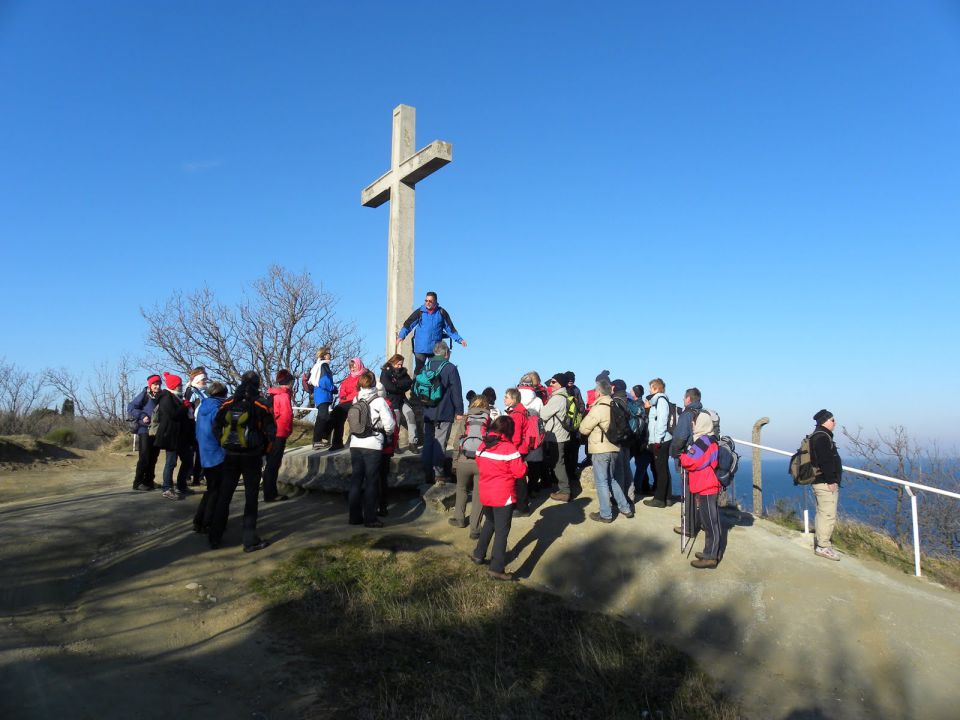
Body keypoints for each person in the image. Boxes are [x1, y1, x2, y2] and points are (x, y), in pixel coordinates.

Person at [210, 371, 276, 552]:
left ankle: (214, 536)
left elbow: (216, 425)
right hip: (252, 456)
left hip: (230, 455)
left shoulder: (229, 402)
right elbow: (272, 433)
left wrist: (224, 443)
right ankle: (249, 540)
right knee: (251, 498)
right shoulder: (261, 404)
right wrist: (265, 451)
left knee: (224, 496)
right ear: (258, 383)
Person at [470, 415, 527, 581]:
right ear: (509, 431)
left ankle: (478, 554)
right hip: (503, 495)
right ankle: (496, 567)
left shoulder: (483, 445)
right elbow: (520, 472)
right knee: (502, 531)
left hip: (486, 491)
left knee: (490, 523)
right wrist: (524, 465)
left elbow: (480, 463)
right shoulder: (509, 449)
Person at [579, 378, 634, 523]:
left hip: (600, 448)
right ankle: (625, 508)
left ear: (598, 392)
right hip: (616, 447)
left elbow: (583, 428)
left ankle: (606, 514)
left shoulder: (599, 408)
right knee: (613, 479)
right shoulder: (616, 404)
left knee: (602, 482)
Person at [346, 370, 396, 527]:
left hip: (355, 444)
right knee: (371, 482)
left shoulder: (356, 398)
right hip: (373, 445)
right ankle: (370, 518)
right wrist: (385, 433)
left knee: (356, 480)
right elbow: (390, 425)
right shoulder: (379, 401)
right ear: (374, 383)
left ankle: (354, 517)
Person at [679, 412, 722, 569]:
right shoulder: (710, 439)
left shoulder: (703, 442)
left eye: (694, 422)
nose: (692, 425)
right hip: (707, 485)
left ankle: (711, 557)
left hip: (707, 486)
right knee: (709, 521)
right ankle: (710, 552)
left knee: (711, 523)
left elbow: (692, 461)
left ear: (701, 424)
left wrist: (682, 457)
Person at [420, 341, 464, 485]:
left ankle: (426, 473)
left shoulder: (425, 366)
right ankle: (438, 475)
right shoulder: (450, 368)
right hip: (444, 411)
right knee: (440, 442)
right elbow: (456, 391)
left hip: (427, 411)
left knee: (428, 443)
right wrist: (459, 411)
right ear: (446, 353)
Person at [396, 291, 467, 375]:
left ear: (435, 302)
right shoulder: (420, 312)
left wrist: (460, 340)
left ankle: (433, 388)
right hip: (420, 348)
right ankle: (415, 387)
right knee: (419, 371)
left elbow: (450, 328)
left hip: (435, 349)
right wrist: (401, 336)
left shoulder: (441, 313)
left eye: (430, 301)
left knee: (434, 372)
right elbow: (408, 324)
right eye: (426, 300)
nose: (427, 303)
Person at [450, 395, 490, 537]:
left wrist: (455, 462)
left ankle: (459, 519)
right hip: (481, 462)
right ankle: (475, 529)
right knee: (478, 494)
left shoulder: (466, 419)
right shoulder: (489, 419)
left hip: (463, 460)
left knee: (461, 489)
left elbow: (456, 442)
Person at [193, 382, 228, 534]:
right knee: (216, 491)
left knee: (211, 489)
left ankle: (199, 520)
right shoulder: (218, 409)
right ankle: (208, 521)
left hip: (204, 452)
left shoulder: (202, 408)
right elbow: (219, 431)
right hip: (217, 453)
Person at [670, 388, 705, 536]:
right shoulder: (703, 414)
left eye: (684, 398)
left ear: (689, 399)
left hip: (688, 458)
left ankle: (689, 527)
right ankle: (702, 522)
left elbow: (680, 438)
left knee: (688, 494)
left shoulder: (686, 415)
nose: (683, 400)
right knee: (699, 494)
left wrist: (675, 453)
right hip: (702, 458)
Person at [810, 409, 843, 561]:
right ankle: (823, 546)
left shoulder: (817, 436)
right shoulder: (822, 438)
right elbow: (825, 461)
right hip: (824, 482)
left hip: (819, 481)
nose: (835, 423)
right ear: (825, 421)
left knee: (822, 512)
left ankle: (820, 542)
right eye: (833, 420)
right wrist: (831, 480)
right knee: (828, 514)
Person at [154, 372, 191, 500]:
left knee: (187, 460)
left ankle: (181, 485)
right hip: (170, 435)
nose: (181, 386)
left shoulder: (177, 397)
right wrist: (184, 407)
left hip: (180, 435)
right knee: (171, 462)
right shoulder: (166, 397)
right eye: (179, 384)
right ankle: (167, 488)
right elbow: (173, 414)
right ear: (174, 385)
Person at [540, 372, 573, 502]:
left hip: (556, 436)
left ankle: (565, 491)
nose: (551, 384)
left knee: (558, 463)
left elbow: (543, 414)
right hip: (562, 434)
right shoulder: (565, 396)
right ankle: (562, 488)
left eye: (553, 382)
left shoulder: (558, 398)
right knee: (559, 461)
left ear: (560, 383)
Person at [128, 374, 163, 491]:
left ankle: (148, 481)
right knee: (144, 457)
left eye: (159, 384)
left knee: (154, 456)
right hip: (144, 429)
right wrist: (142, 416)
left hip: (156, 430)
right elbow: (131, 407)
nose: (157, 386)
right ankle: (137, 483)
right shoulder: (144, 395)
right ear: (150, 385)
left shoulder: (161, 396)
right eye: (155, 384)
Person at [263, 369, 294, 503]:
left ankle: (269, 491)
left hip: (270, 431)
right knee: (274, 464)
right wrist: (288, 431)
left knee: (270, 462)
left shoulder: (273, 394)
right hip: (280, 432)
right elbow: (286, 416)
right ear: (289, 382)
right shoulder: (284, 396)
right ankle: (271, 494)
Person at [644, 378, 673, 508]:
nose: (649, 390)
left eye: (651, 387)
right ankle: (667, 497)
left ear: (656, 388)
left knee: (660, 470)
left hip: (661, 440)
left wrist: (657, 440)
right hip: (662, 439)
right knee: (663, 469)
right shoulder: (658, 401)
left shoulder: (661, 401)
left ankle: (659, 499)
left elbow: (661, 421)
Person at [380, 354, 418, 451]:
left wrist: (397, 385)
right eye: (398, 364)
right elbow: (388, 386)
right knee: (396, 420)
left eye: (401, 364)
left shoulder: (403, 372)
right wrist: (400, 386)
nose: (400, 366)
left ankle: (413, 442)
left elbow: (408, 383)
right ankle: (394, 443)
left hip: (402, 400)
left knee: (411, 415)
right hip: (392, 401)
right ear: (393, 363)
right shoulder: (385, 372)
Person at [328, 357, 366, 451]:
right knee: (338, 416)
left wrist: (346, 397)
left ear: (359, 365)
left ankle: (325, 433)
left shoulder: (364, 377)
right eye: (351, 367)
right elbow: (343, 389)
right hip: (346, 401)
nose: (352, 369)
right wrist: (343, 397)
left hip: (357, 401)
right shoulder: (348, 378)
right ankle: (337, 442)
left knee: (337, 411)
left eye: (354, 367)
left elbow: (358, 392)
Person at [308, 347, 337, 450]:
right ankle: (317, 440)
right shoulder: (324, 366)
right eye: (329, 353)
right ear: (324, 355)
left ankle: (322, 438)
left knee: (325, 417)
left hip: (320, 395)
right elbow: (324, 381)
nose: (330, 355)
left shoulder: (319, 365)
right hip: (323, 395)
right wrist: (333, 388)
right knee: (322, 418)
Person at [183, 367, 208, 486]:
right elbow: (187, 407)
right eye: (203, 378)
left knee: (201, 451)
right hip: (192, 425)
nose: (205, 380)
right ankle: (188, 475)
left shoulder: (206, 391)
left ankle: (199, 476)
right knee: (190, 451)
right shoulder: (191, 391)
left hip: (203, 425)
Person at [629, 385, 653, 498]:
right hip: (643, 439)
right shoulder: (645, 405)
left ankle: (637, 488)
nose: (630, 392)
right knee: (641, 465)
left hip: (637, 439)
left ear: (635, 393)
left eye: (631, 390)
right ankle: (644, 487)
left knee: (639, 466)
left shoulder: (635, 405)